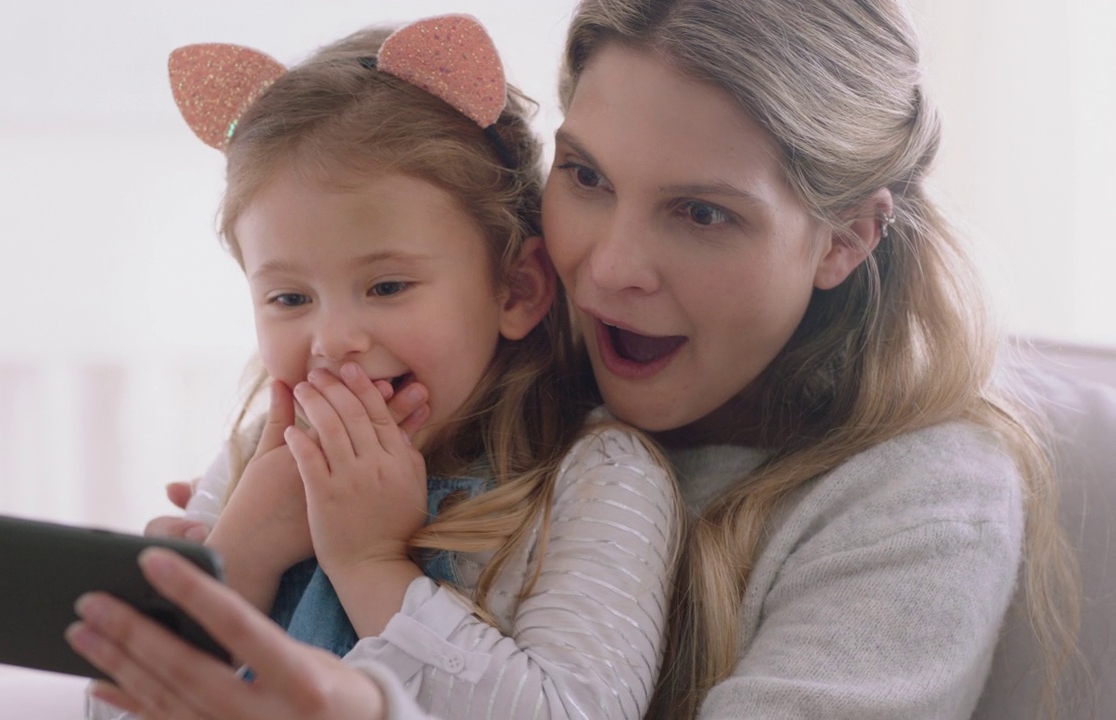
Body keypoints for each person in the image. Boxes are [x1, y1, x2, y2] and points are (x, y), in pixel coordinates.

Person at [67, 1, 1081, 718]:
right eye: (586, 177)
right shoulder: (422, 394)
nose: (606, 270)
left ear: (844, 239)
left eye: (700, 212)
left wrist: (368, 581)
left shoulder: (911, 498)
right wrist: (229, 561)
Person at [77, 13, 683, 720]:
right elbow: (114, 706)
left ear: (515, 290)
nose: (333, 340)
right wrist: (237, 557)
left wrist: (369, 565)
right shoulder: (257, 461)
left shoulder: (598, 478)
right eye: (289, 297)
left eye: (387, 287)